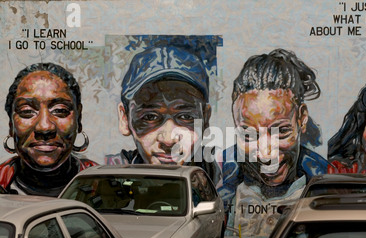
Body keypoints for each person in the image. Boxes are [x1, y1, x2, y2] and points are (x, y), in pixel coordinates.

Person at [219, 48, 332, 238]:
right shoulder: (221, 192)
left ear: (302, 119)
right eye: (248, 135)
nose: (265, 154)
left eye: (281, 131)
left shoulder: (327, 197)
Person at [105, 45, 221, 184]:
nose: (168, 140)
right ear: (125, 119)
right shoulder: (108, 177)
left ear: (205, 119)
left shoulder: (222, 179)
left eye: (186, 117)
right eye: (150, 117)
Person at [0, 62, 98, 196]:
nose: (45, 127)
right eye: (27, 111)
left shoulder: (104, 185)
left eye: (59, 110)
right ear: (11, 124)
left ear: (78, 119)